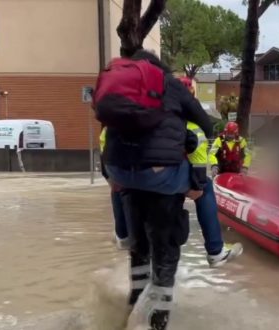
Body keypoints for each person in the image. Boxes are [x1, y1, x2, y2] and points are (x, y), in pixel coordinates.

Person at [94, 49, 213, 330]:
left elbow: (105, 136)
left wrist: (109, 175)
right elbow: (205, 125)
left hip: (121, 174)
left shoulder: (120, 90)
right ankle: (159, 318)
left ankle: (134, 301)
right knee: (165, 247)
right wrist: (196, 176)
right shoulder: (168, 83)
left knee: (140, 247)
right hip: (162, 177)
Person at [179, 77, 243, 267]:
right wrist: (202, 178)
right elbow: (204, 155)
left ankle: (124, 234)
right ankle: (215, 250)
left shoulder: (154, 117)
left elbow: (246, 154)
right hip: (173, 176)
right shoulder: (194, 129)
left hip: (134, 175)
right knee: (205, 188)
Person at [99, 126, 128, 250]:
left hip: (119, 179)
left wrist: (110, 178)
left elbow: (103, 157)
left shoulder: (108, 129)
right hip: (135, 181)